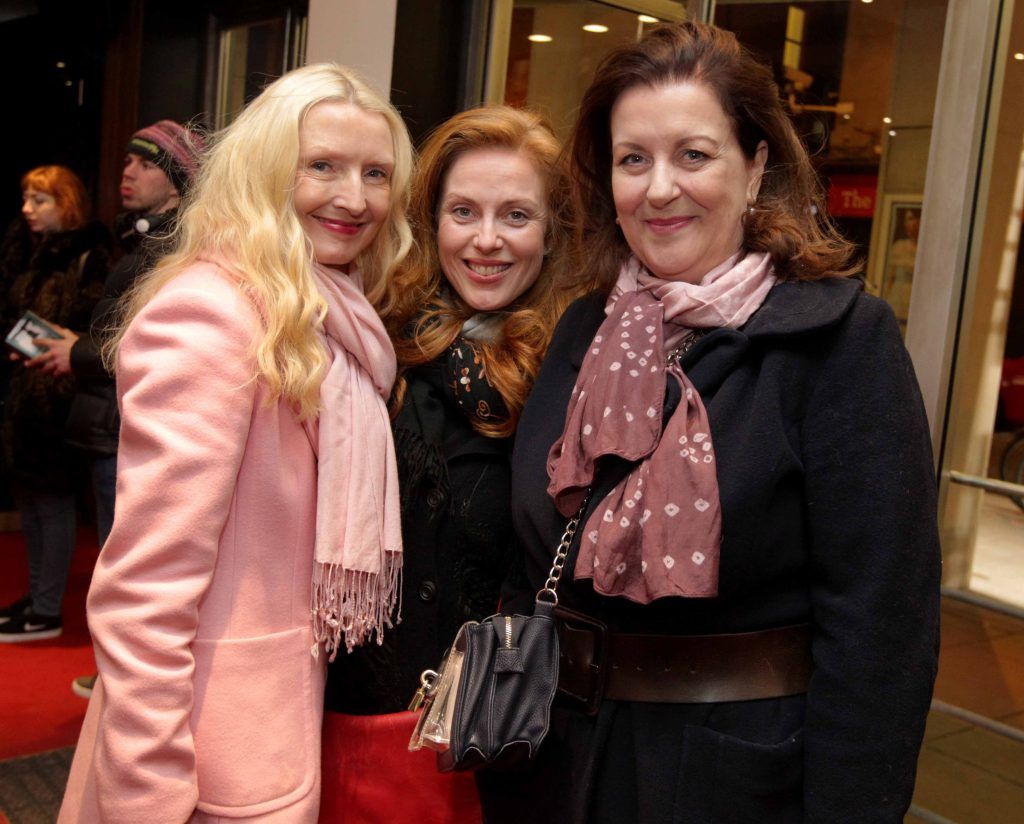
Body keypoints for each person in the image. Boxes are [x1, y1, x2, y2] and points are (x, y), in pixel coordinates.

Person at [477, 23, 941, 823]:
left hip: (730, 779)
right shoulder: (586, 329)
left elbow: (879, 633)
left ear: (755, 167)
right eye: (633, 160)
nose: (659, 189)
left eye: (693, 155)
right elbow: (532, 553)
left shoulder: (838, 340)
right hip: (551, 768)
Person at [58, 62, 413, 823]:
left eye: (375, 173)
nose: (354, 198)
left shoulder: (332, 313)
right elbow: (143, 593)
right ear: (265, 171)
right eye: (321, 166)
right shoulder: (213, 315)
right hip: (204, 761)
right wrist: (149, 797)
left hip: (267, 732)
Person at [319, 106, 576, 823]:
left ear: (553, 231)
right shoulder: (369, 340)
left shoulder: (576, 374)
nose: (486, 240)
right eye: (463, 211)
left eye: (516, 215)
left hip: (497, 729)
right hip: (352, 716)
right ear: (431, 220)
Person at [57, 119, 207, 700]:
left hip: (136, 427)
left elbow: (141, 344)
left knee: (136, 564)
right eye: (126, 161)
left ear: (176, 183)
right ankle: (120, 672)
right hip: (116, 423)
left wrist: (74, 351)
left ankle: (126, 677)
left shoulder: (171, 248)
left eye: (145, 164)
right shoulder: (140, 240)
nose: (128, 172)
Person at [0, 165, 109, 642]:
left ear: (66, 203)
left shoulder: (92, 256)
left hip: (62, 400)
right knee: (31, 502)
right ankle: (37, 599)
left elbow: (96, 332)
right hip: (27, 395)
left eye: (39, 199)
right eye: (25, 198)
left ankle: (47, 609)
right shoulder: (29, 253)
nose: (27, 209)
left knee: (53, 502)